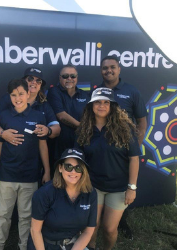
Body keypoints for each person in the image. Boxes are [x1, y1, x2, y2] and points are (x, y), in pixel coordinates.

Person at [76, 88, 141, 250]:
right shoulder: (84, 129)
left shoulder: (125, 129)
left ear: (113, 106)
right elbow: (77, 159)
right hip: (93, 186)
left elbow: (134, 159)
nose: (102, 106)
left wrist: (132, 187)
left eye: (106, 102)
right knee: (91, 227)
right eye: (98, 102)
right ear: (91, 105)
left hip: (118, 188)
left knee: (110, 229)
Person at [0, 79, 50, 250]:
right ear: (9, 96)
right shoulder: (4, 116)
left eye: (21, 94)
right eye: (13, 95)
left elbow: (42, 145)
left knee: (26, 216)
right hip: (7, 174)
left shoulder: (38, 116)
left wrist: (47, 170)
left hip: (30, 175)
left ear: (28, 93)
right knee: (3, 214)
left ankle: (24, 246)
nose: (17, 98)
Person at [97, 55, 147, 239]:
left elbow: (142, 122)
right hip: (101, 151)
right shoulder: (97, 91)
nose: (108, 71)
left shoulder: (131, 92)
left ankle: (121, 222)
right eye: (105, 68)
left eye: (112, 67)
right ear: (101, 71)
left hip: (123, 153)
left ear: (119, 69)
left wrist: (134, 147)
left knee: (122, 189)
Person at [28, 148, 97, 250]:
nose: (73, 172)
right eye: (68, 167)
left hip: (73, 245)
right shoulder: (44, 193)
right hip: (44, 245)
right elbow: (35, 231)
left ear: (83, 171)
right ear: (60, 168)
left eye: (78, 168)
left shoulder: (90, 193)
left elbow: (88, 231)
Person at [0, 67, 60, 145]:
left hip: (33, 154)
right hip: (9, 152)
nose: (34, 82)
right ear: (23, 81)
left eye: (38, 81)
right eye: (30, 79)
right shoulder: (9, 98)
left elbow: (57, 128)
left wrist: (48, 130)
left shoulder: (44, 103)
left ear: (40, 85)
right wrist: (2, 133)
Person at [47, 65, 90, 160]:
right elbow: (61, 115)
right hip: (59, 144)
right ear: (60, 78)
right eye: (65, 76)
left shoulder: (85, 94)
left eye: (73, 76)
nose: (69, 78)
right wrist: (82, 128)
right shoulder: (54, 92)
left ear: (77, 77)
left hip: (80, 143)